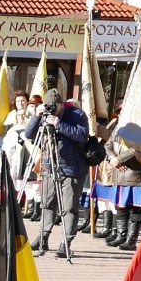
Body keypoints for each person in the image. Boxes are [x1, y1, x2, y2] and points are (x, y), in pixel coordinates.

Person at [24, 88, 89, 259]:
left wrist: (59, 124)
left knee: (68, 208)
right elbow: (29, 134)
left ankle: (65, 243)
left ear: (62, 104)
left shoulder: (76, 114)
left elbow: (82, 135)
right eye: (48, 105)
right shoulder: (43, 113)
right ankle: (43, 237)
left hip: (72, 168)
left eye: (55, 105)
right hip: (49, 166)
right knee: (47, 203)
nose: (52, 108)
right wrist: (37, 116)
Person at [98, 119, 141, 252]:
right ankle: (122, 235)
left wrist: (119, 159)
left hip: (136, 174)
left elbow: (138, 148)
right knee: (120, 206)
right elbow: (108, 145)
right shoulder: (119, 128)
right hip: (119, 173)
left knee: (135, 208)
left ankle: (131, 240)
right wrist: (112, 158)